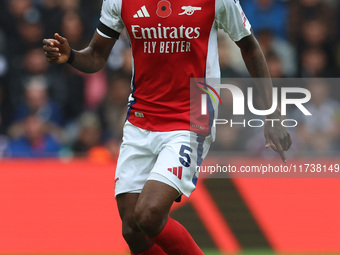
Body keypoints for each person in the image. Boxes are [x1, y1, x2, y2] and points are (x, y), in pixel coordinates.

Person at [43, 0, 291, 254]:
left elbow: (249, 47)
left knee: (149, 214)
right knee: (132, 229)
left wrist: (271, 112)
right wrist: (71, 55)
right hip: (141, 116)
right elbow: (96, 55)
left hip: (193, 113)